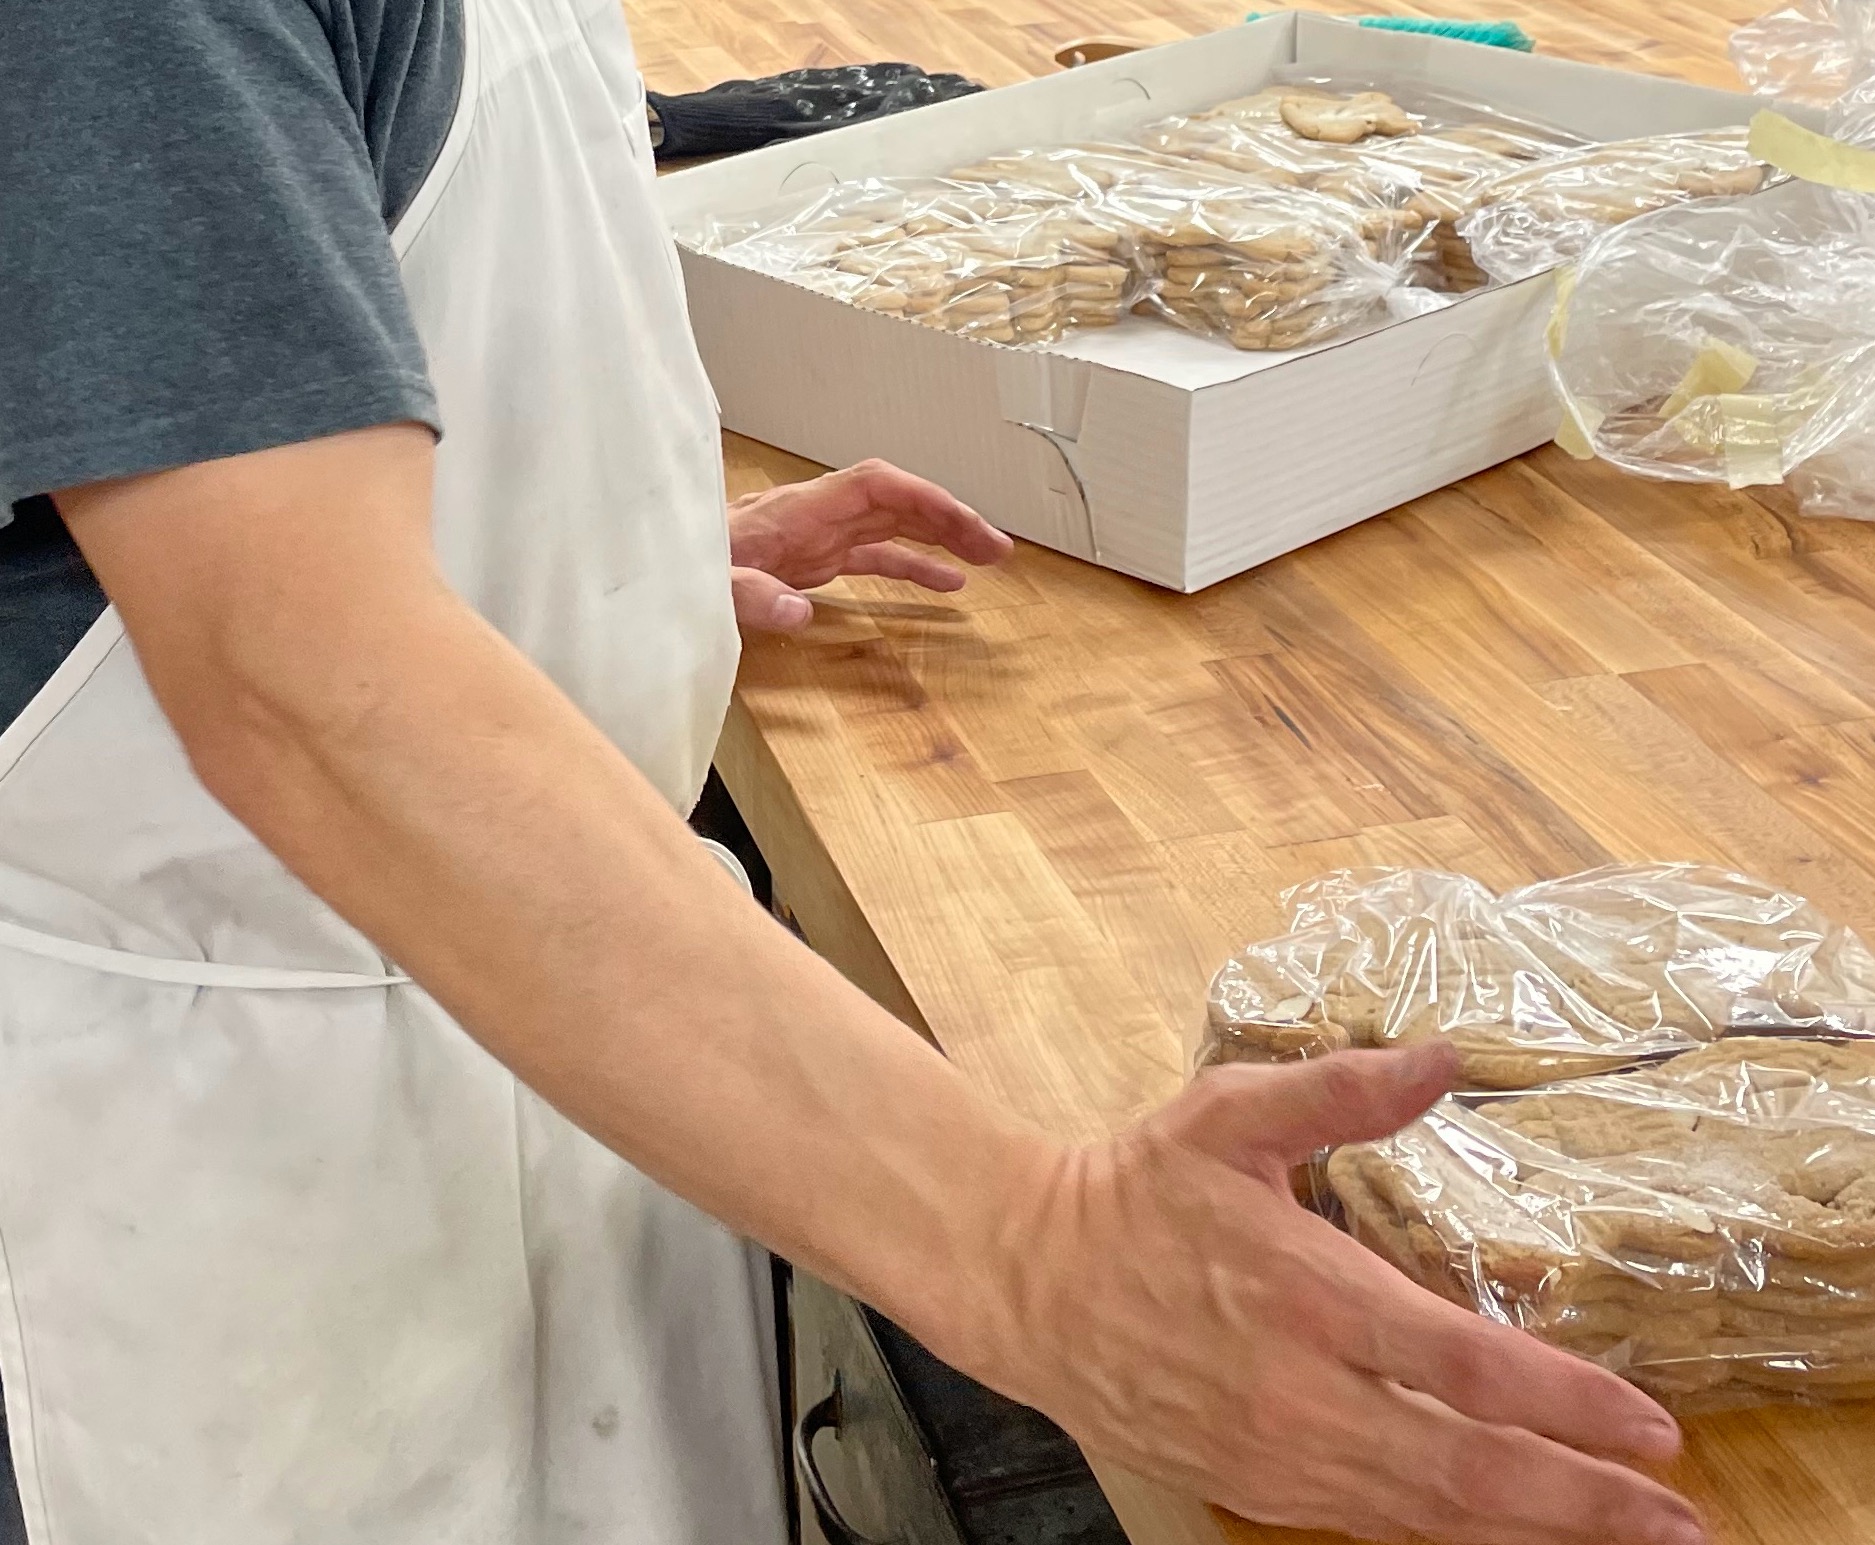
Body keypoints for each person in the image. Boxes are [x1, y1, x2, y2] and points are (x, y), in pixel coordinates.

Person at [0, 3, 1714, 1543]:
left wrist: (597, 565)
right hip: (251, 1156)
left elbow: (258, 376)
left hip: (578, 1034)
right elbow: (306, 687)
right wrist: (1030, 1247)